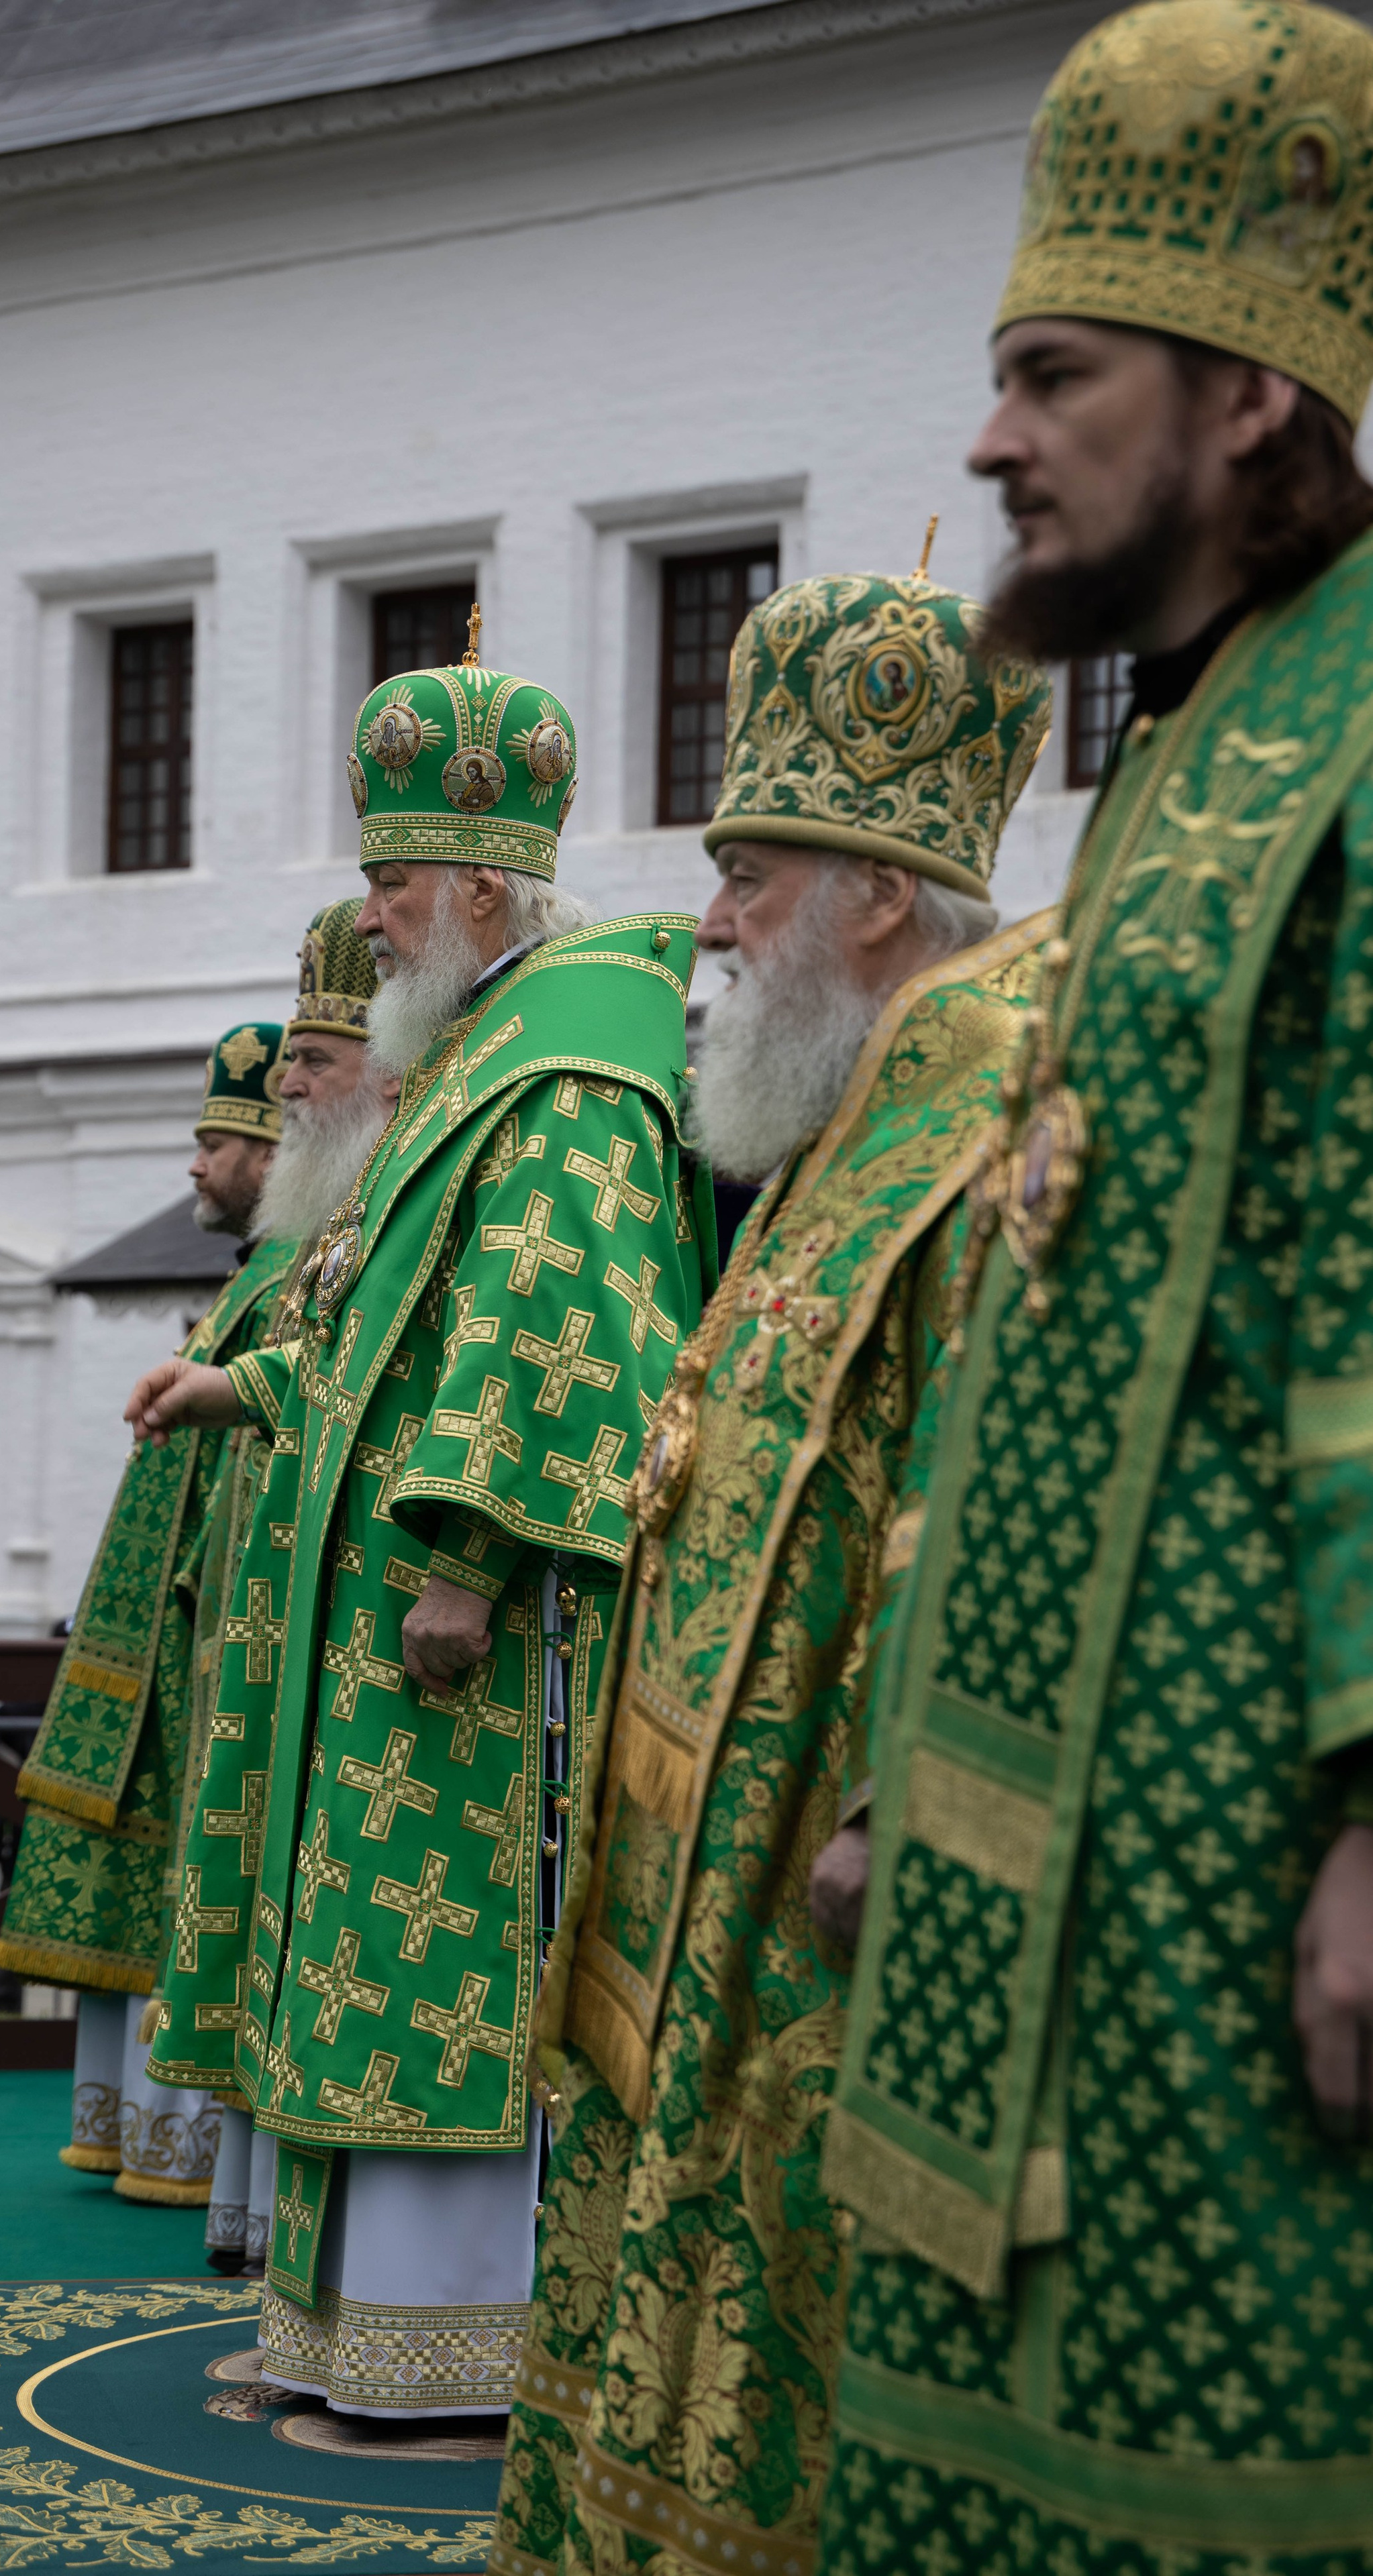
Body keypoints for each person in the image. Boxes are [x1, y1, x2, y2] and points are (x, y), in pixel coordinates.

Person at [811, 6, 1373, 2568]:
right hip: (1035, 1873)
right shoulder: (1195, 739)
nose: (991, 439)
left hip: (1240, 1893)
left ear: (1252, 396)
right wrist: (900, 1778)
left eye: (1053, 374)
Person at [491, 571, 1050, 2576]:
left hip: (819, 1863)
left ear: (878, 897)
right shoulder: (840, 1111)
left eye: (747, 872)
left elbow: (988, 1474)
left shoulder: (989, 1108)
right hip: (700, 1861)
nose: (707, 923)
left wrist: (903, 1792)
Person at [134, 620, 713, 2424]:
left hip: (469, 1638)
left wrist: (472, 1556)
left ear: (475, 881)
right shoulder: (468, 1058)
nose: (370, 914)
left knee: (439, 1983)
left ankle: (451, 2356)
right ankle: (351, 2344)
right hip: (377, 1631)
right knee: (361, 1970)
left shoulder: (569, 1067)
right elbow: (392, 1349)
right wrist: (257, 1393)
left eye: (391, 879)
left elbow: (566, 1326)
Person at [0, 1020, 292, 2206]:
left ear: (272, 1150)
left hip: (209, 1650)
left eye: (215, 1139)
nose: (195, 1165)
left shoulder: (287, 1284)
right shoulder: (254, 1283)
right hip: (169, 1656)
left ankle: (196, 2148)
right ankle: (151, 2137)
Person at [189, 903, 395, 2271]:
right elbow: (320, 1372)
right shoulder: (327, 1218)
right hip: (282, 1611)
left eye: (312, 1063)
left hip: (381, 1614)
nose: (288, 1090)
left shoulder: (393, 1199)